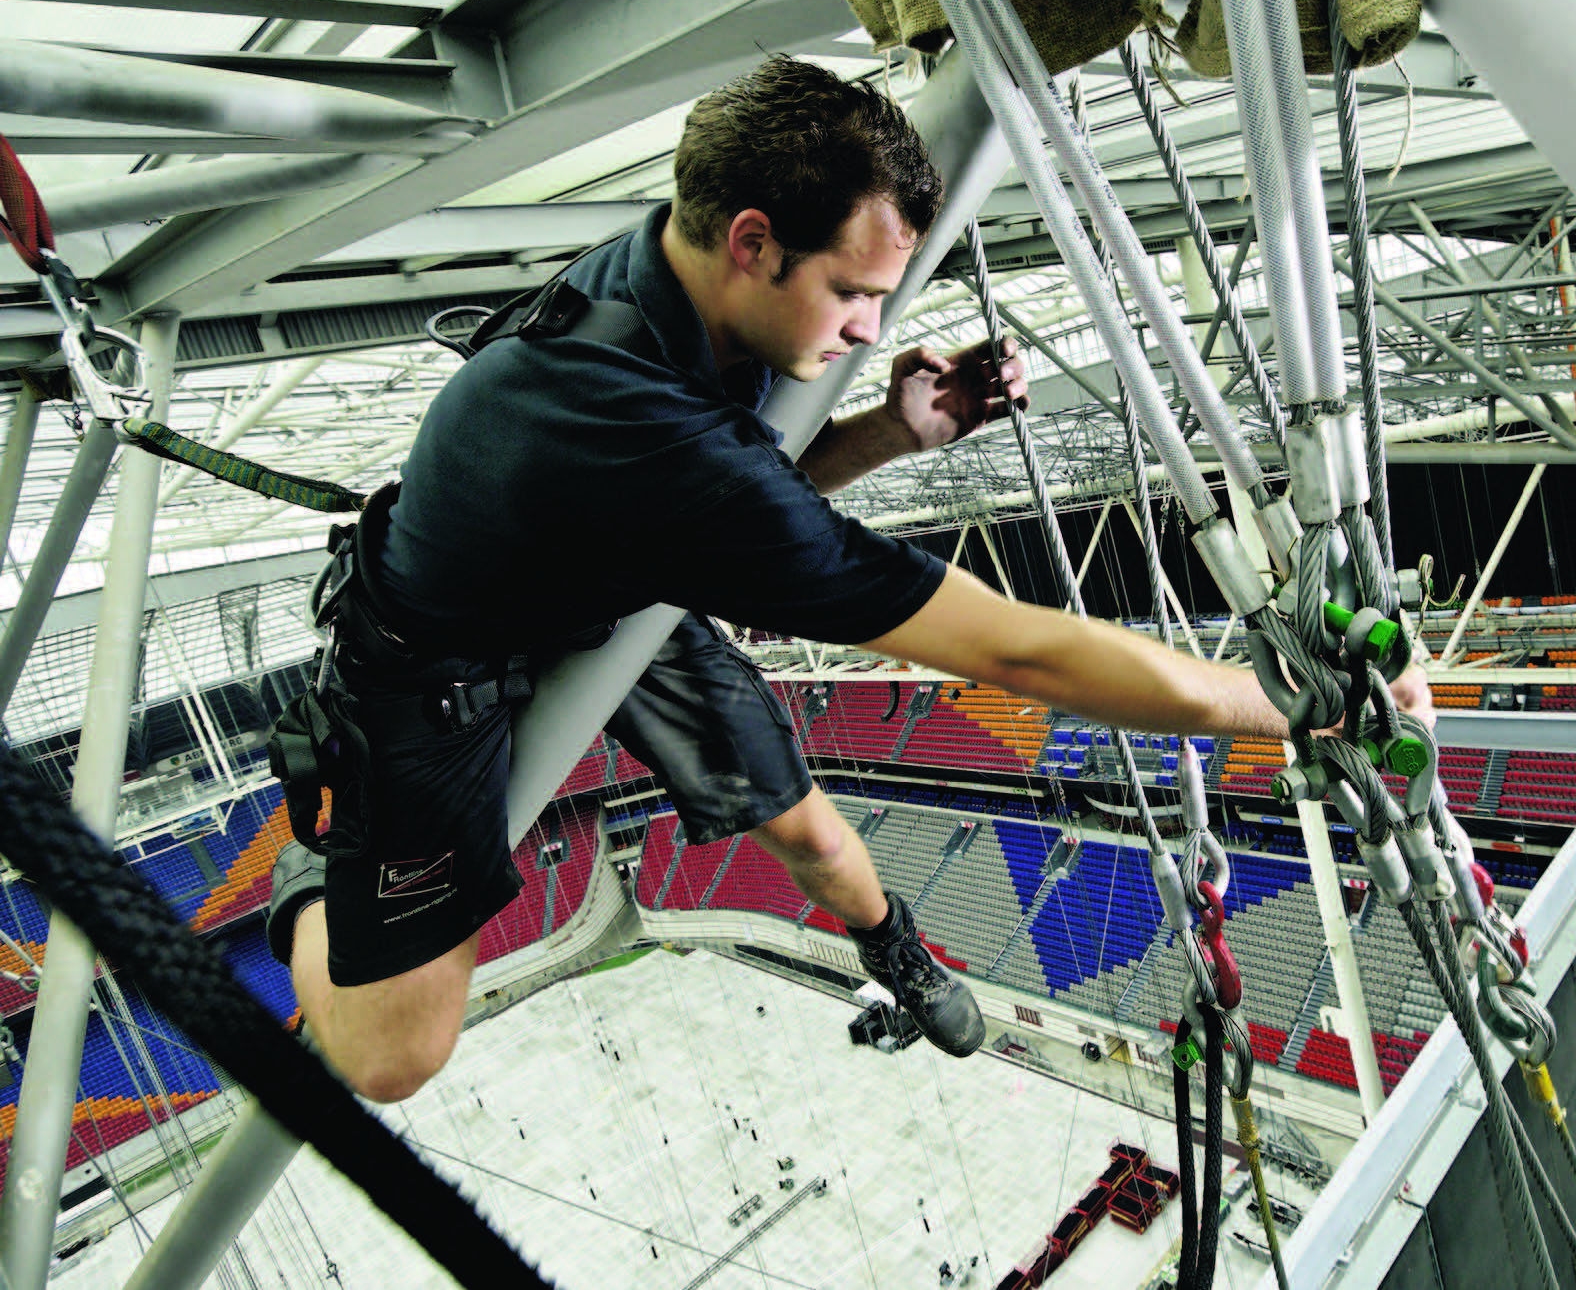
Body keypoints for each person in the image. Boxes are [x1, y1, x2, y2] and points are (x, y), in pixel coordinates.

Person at [266, 55, 1432, 1105]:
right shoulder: (635, 425)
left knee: (814, 835)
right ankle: (331, 848)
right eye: (853, 294)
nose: (876, 330)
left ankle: (894, 944)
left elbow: (724, 503)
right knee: (393, 1056)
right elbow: (1009, 650)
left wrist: (893, 432)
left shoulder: (676, 275)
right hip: (436, 664)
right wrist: (1277, 701)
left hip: (603, 577)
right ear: (753, 240)